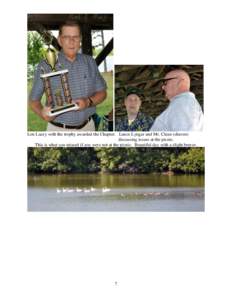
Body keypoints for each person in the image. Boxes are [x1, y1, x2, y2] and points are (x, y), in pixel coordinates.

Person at [29, 20, 107, 131]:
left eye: (75, 37)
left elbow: (102, 93)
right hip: (58, 129)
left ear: (80, 39)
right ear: (60, 40)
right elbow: (33, 101)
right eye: (66, 37)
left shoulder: (90, 62)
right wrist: (43, 114)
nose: (71, 41)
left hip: (88, 127)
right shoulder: (45, 65)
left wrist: (88, 102)